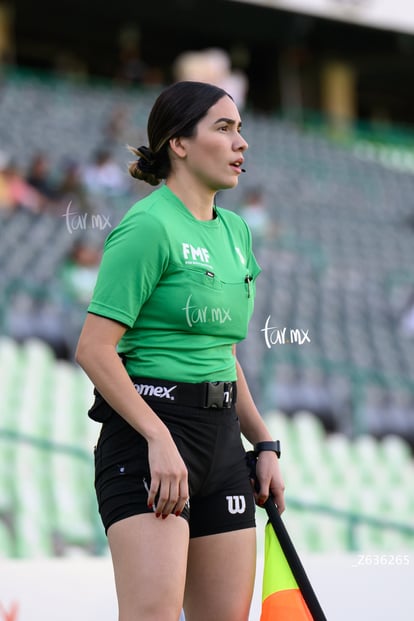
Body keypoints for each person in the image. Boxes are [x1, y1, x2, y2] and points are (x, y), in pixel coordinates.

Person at [75, 80, 285, 621]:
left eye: (240, 129)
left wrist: (263, 442)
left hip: (220, 443)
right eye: (223, 127)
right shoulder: (146, 226)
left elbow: (222, 352)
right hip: (152, 435)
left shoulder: (237, 231)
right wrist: (158, 437)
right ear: (179, 143)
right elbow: (95, 350)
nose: (241, 143)